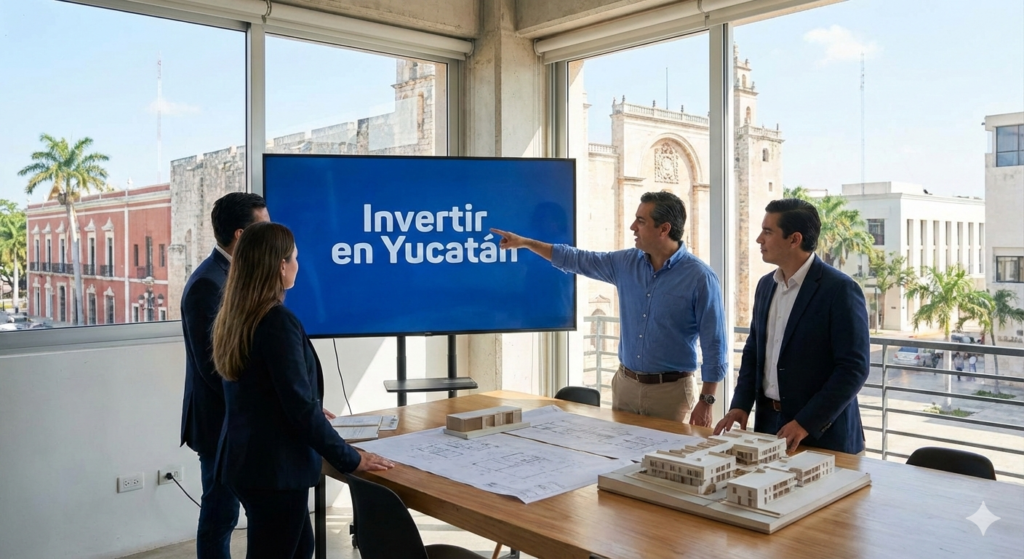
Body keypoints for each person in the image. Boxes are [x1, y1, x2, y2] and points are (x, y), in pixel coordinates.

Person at [212, 222, 393, 558]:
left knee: (300, 547)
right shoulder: (276, 321)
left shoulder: (238, 315)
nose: (298, 264)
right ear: (280, 266)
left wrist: (301, 401)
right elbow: (299, 410)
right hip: (274, 470)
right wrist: (351, 459)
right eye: (294, 257)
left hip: (246, 461)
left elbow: (259, 388)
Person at [491, 191, 728, 426]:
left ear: (664, 229)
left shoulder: (700, 278)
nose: (633, 227)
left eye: (641, 221)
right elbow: (576, 259)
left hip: (671, 395)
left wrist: (707, 400)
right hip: (625, 388)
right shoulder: (625, 263)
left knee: (669, 452)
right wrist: (525, 243)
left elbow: (714, 344)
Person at [713, 198, 870, 455]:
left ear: (794, 239)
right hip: (768, 427)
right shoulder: (766, 286)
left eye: (768, 232)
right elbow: (753, 352)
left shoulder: (840, 289)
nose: (759, 239)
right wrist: (740, 404)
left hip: (823, 435)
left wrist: (805, 423)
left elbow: (853, 369)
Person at [179, 192, 269, 558]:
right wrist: (270, 405)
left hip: (239, 420)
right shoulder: (209, 283)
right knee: (221, 516)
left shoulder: (233, 275)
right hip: (220, 424)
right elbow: (215, 367)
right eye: (263, 227)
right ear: (240, 235)